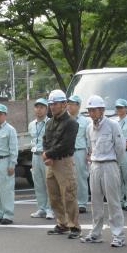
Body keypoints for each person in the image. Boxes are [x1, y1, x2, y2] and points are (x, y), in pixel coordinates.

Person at [80, 95, 127, 247]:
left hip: (109, 164)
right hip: (95, 165)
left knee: (113, 201)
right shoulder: (89, 128)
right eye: (90, 110)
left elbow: (120, 148)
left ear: (102, 110)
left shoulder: (113, 125)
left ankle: (118, 235)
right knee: (95, 201)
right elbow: (91, 147)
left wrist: (115, 164)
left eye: (94, 110)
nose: (92, 113)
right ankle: (96, 233)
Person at [43, 90, 81, 239]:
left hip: (64, 161)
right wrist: (47, 154)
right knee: (53, 195)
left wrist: (48, 154)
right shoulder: (50, 122)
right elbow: (45, 139)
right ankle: (62, 223)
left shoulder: (71, 122)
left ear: (64, 104)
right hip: (51, 161)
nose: (52, 107)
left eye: (56, 104)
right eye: (51, 104)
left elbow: (66, 144)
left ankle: (74, 226)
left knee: (68, 194)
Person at [28, 98, 54, 220]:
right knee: (38, 184)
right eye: (37, 107)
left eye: (42, 107)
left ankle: (50, 209)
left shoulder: (51, 123)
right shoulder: (31, 125)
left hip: (46, 155)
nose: (39, 109)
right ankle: (42, 208)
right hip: (35, 155)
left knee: (49, 183)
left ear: (46, 109)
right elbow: (32, 141)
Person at [68, 95, 90, 214]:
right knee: (68, 178)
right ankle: (71, 202)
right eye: (69, 103)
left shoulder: (85, 121)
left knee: (81, 177)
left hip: (80, 151)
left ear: (78, 106)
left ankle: (82, 203)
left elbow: (88, 138)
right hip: (67, 153)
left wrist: (89, 153)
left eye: (72, 104)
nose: (69, 106)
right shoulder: (65, 119)